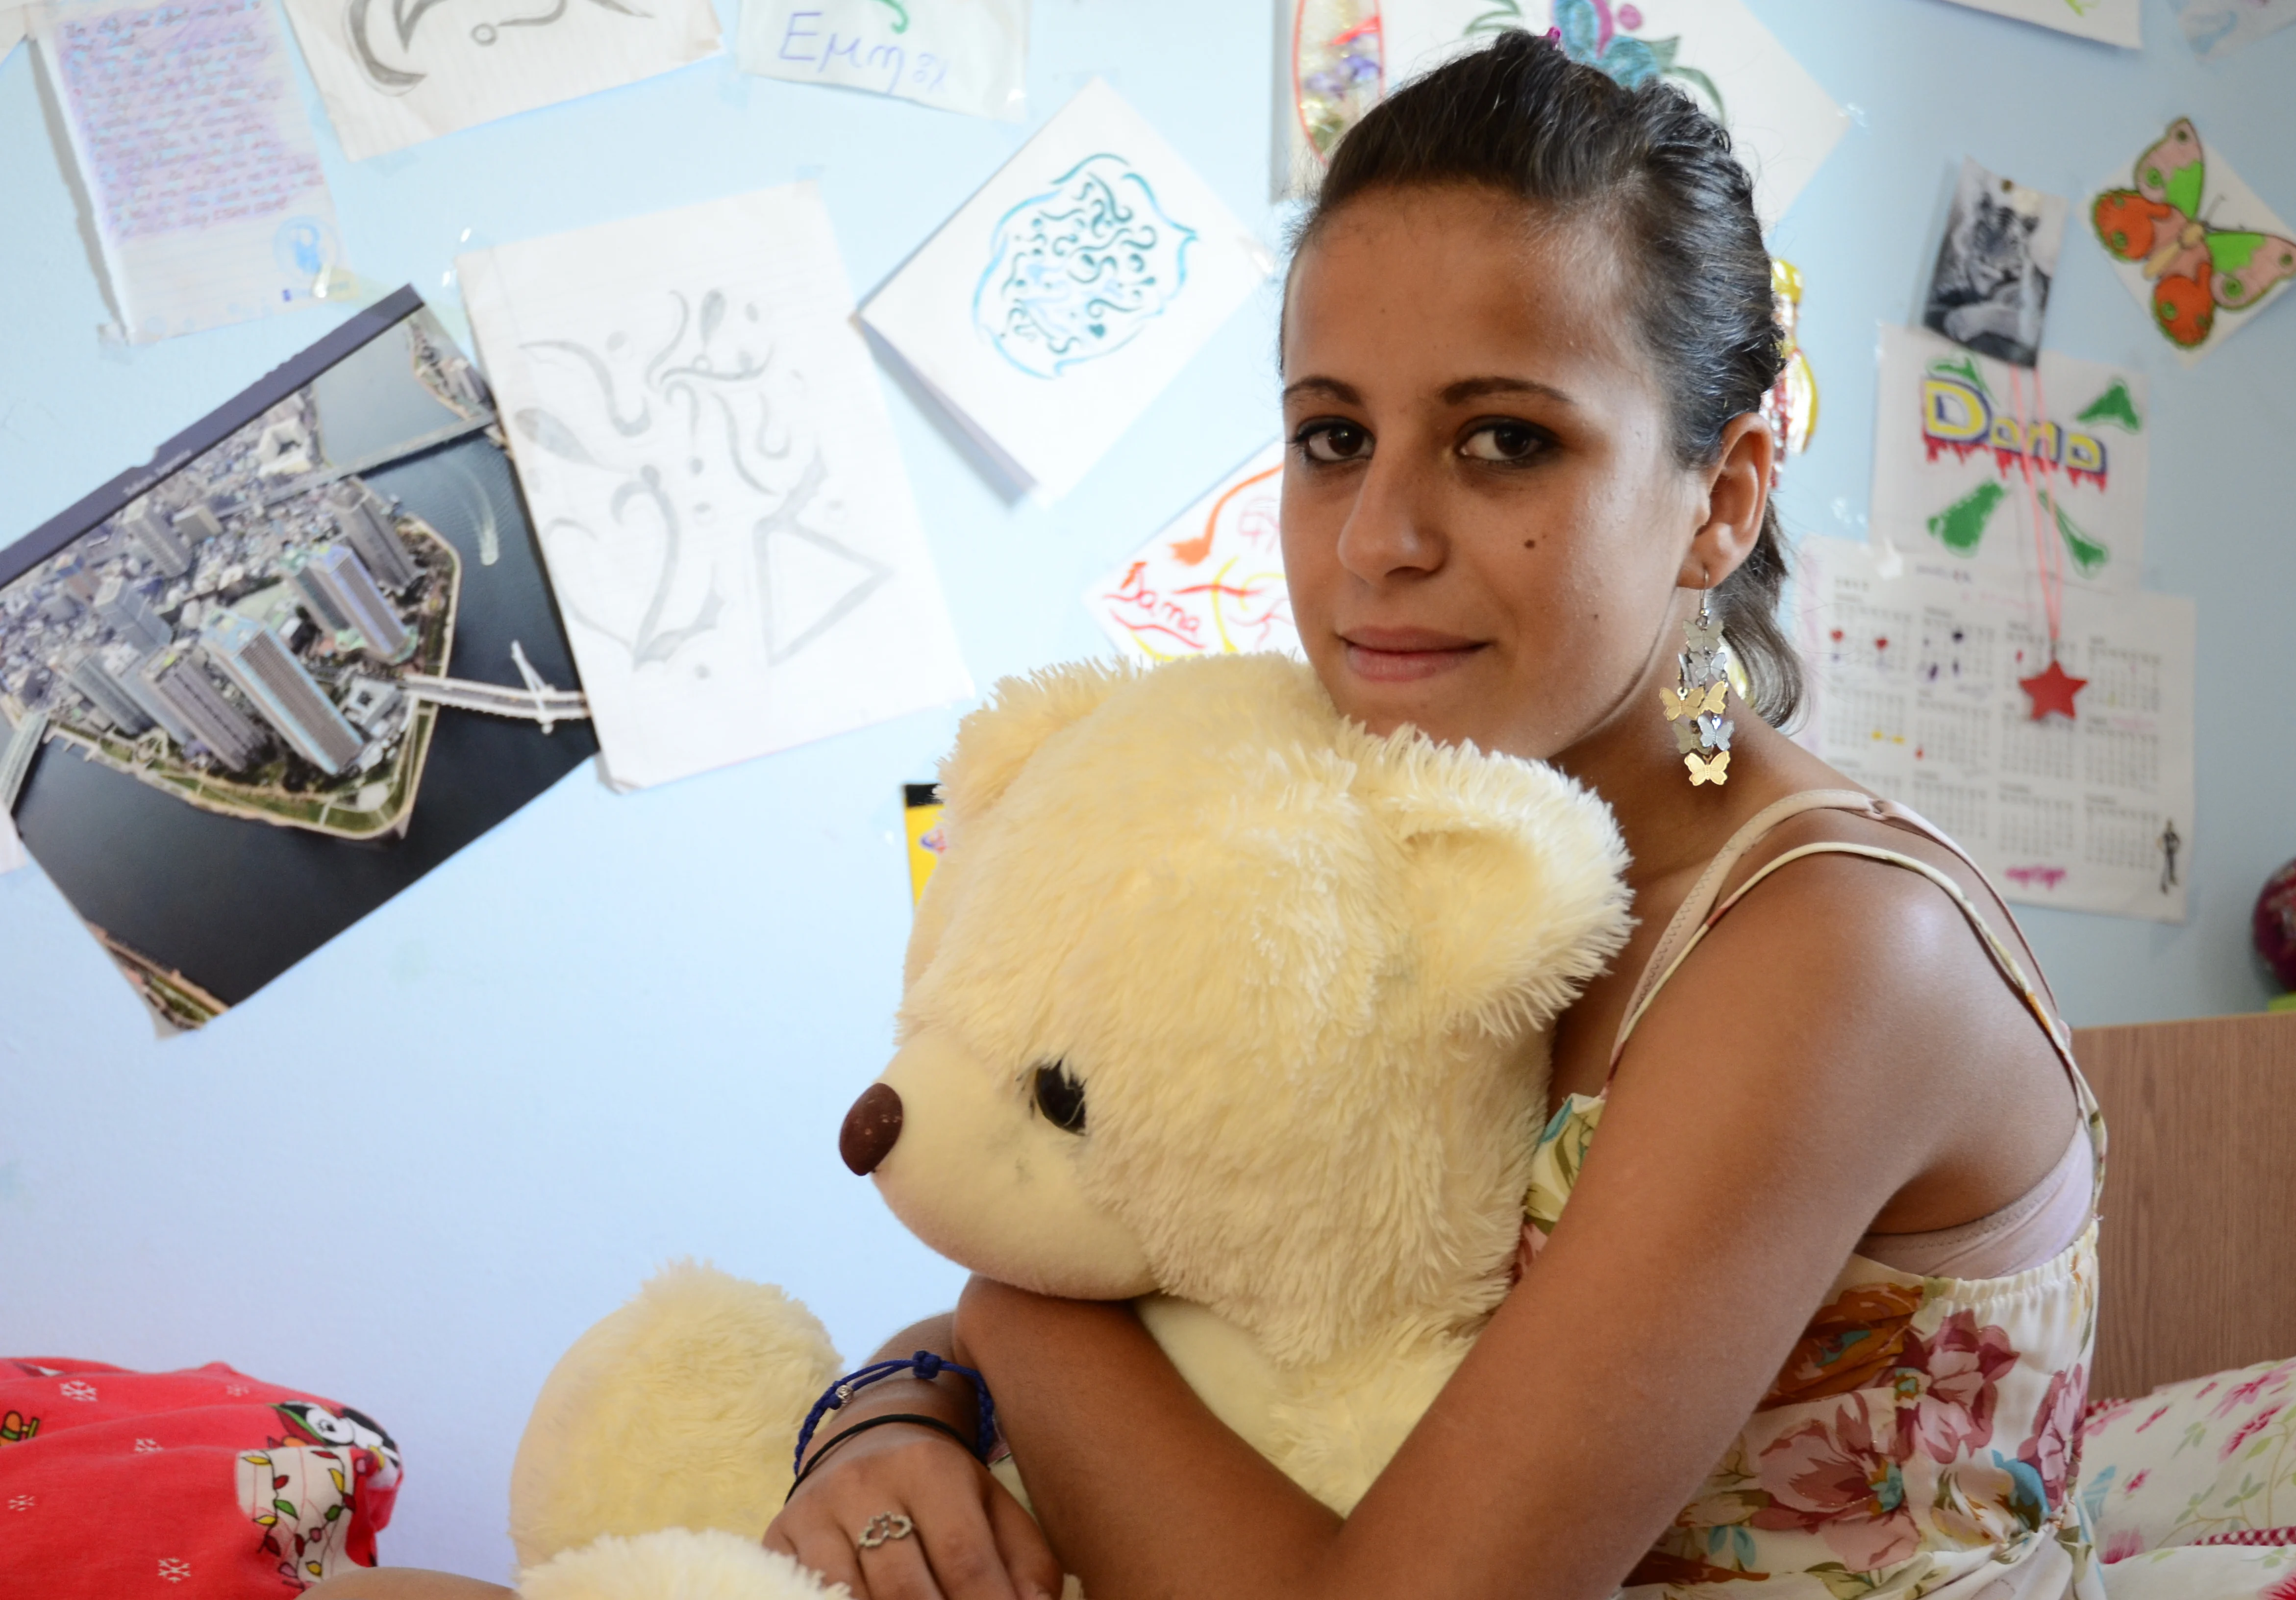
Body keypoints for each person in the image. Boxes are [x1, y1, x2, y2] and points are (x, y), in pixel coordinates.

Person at [326, 30, 2104, 1600]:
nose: (1376, 540)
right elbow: (1164, 1253)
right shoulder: (1357, 809)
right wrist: (891, 1416)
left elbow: (1075, 1292)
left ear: (1719, 497)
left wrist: (1010, 1317)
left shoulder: (1830, 949)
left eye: (1503, 443)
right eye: (1335, 437)